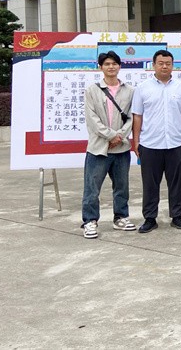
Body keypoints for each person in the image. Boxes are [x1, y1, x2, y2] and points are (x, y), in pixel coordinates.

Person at [132, 49, 181, 233]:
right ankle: (150, 218)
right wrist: (136, 141)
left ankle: (177, 216)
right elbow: (137, 116)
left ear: (172, 65)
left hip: (176, 143)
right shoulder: (143, 88)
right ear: (154, 65)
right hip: (150, 144)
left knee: (177, 183)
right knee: (150, 184)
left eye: (168, 63)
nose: (164, 66)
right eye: (161, 63)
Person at [81, 51, 136, 239]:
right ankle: (90, 221)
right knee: (92, 187)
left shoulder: (130, 90)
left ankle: (121, 217)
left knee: (122, 186)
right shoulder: (92, 90)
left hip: (121, 147)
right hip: (98, 148)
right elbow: (92, 119)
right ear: (100, 67)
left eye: (114, 64)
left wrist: (119, 136)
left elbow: (132, 117)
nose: (111, 67)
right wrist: (111, 136)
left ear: (119, 66)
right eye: (107, 64)